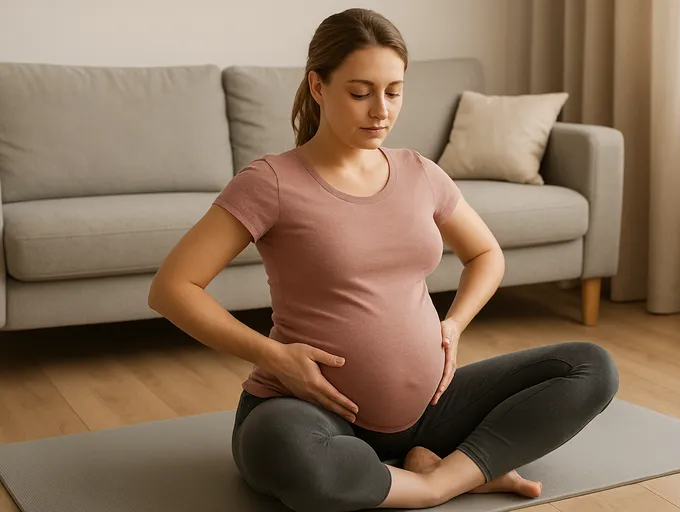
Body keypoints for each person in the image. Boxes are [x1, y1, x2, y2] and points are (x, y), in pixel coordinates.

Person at [148, 7, 619, 512]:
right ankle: (446, 478)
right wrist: (274, 356)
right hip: (310, 411)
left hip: (429, 409)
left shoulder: (420, 172)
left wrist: (454, 325)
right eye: (360, 92)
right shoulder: (271, 182)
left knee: (589, 367)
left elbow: (486, 253)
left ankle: (434, 475)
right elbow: (172, 288)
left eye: (394, 91)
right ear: (318, 86)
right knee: (282, 447)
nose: (381, 110)